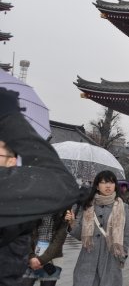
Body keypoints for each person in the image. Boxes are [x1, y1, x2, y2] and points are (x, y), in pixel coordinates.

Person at [0, 88, 80, 286]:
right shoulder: (17, 200)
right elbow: (62, 183)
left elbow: (61, 231)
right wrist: (11, 117)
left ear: (12, 161)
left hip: (44, 255)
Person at [65, 170, 129, 286]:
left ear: (115, 185)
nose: (108, 186)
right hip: (88, 258)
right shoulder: (87, 205)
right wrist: (71, 223)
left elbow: (126, 234)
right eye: (104, 182)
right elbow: (80, 235)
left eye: (111, 182)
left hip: (111, 258)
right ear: (97, 186)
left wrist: (122, 255)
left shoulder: (123, 207)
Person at [22, 210, 68, 286]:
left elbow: (60, 239)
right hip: (31, 257)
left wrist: (40, 260)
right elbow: (25, 235)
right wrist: (31, 256)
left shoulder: (64, 211)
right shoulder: (30, 208)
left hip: (53, 258)